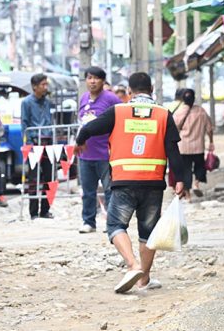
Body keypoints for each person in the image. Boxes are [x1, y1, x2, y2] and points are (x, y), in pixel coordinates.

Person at [75, 72, 186, 293]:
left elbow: (88, 128)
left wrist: (80, 141)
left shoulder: (118, 111)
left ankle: (133, 265)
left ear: (129, 91)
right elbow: (173, 150)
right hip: (153, 183)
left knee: (116, 225)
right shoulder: (163, 114)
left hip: (123, 181)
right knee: (148, 232)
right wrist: (180, 179)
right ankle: (144, 279)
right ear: (152, 89)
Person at [78, 66, 122, 233]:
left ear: (103, 81)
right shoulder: (83, 98)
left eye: (96, 78)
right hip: (85, 154)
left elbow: (122, 119)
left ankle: (112, 222)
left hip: (106, 153)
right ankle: (88, 222)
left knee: (110, 190)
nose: (92, 81)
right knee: (88, 192)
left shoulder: (111, 99)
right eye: (89, 78)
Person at [21, 73, 54, 220]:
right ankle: (33, 212)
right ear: (35, 87)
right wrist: (28, 143)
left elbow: (50, 121)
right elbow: (24, 123)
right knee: (34, 179)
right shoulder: (26, 102)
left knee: (49, 178)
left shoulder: (47, 102)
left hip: (48, 143)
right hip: (34, 143)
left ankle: (45, 210)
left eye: (46, 84)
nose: (45, 87)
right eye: (43, 84)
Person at [173, 89, 214, 201]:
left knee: (186, 170)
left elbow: (174, 128)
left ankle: (188, 195)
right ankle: (196, 183)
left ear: (183, 99)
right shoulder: (201, 111)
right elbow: (209, 128)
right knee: (200, 167)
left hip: (183, 147)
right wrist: (211, 141)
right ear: (194, 98)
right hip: (198, 146)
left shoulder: (179, 112)